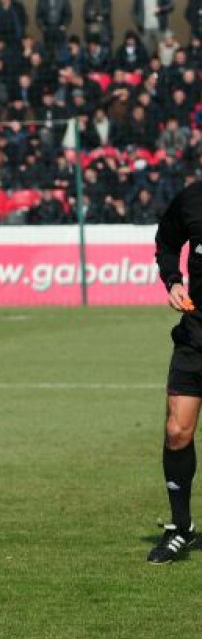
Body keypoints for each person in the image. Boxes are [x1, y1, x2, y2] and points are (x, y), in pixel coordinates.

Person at [149, 181, 202, 564]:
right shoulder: (191, 199)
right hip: (196, 333)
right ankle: (182, 528)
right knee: (177, 431)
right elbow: (166, 242)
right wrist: (173, 281)